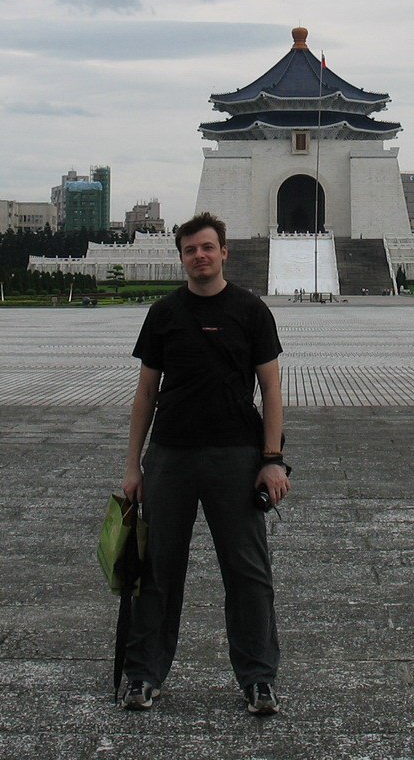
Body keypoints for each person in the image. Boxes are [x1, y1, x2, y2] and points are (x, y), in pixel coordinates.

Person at [119, 212, 289, 717]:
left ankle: (258, 678)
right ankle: (144, 674)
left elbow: (271, 389)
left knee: (248, 572)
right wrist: (133, 466)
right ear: (181, 257)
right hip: (170, 455)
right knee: (157, 569)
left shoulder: (251, 311)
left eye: (208, 247)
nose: (200, 256)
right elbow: (145, 393)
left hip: (236, 456)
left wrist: (273, 460)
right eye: (191, 249)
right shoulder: (164, 313)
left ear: (224, 252)